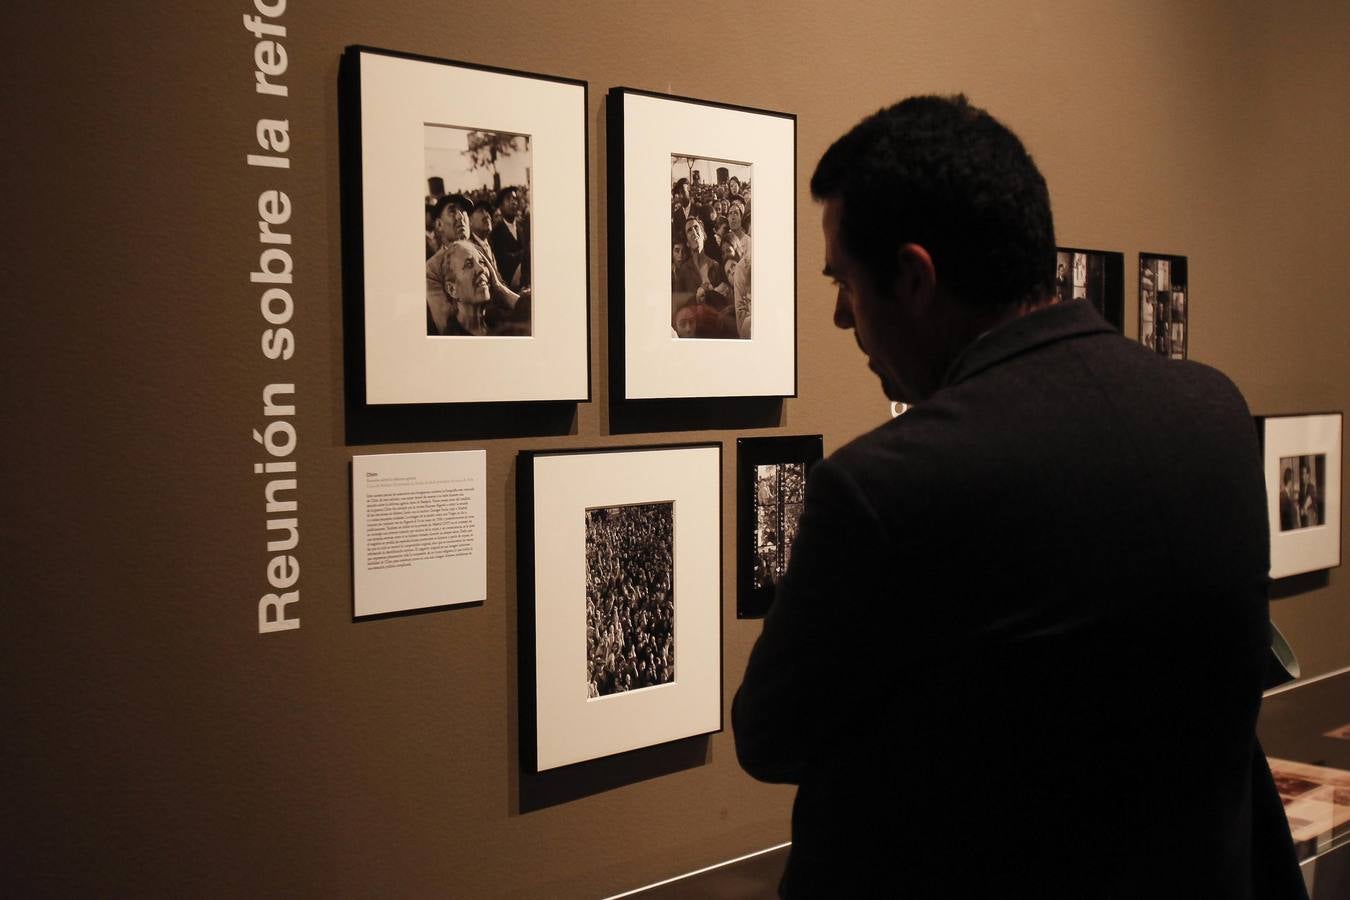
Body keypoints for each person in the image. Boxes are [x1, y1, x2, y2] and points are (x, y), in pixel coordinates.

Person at [732, 95, 1304, 898]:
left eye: (846, 283)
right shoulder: (1211, 410)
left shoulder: (886, 485)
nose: (838, 317)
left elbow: (770, 737)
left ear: (914, 277)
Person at [489, 186, 529, 289]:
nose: (513, 202)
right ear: (500, 207)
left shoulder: (524, 226)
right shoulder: (496, 232)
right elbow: (504, 260)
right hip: (511, 284)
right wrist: (527, 252)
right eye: (508, 198)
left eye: (515, 198)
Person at [1280, 466, 1301, 531]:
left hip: (1294, 528)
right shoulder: (1282, 495)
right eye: (1293, 479)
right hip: (1288, 529)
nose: (1293, 482)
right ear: (1290, 480)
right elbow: (1284, 517)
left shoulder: (1291, 495)